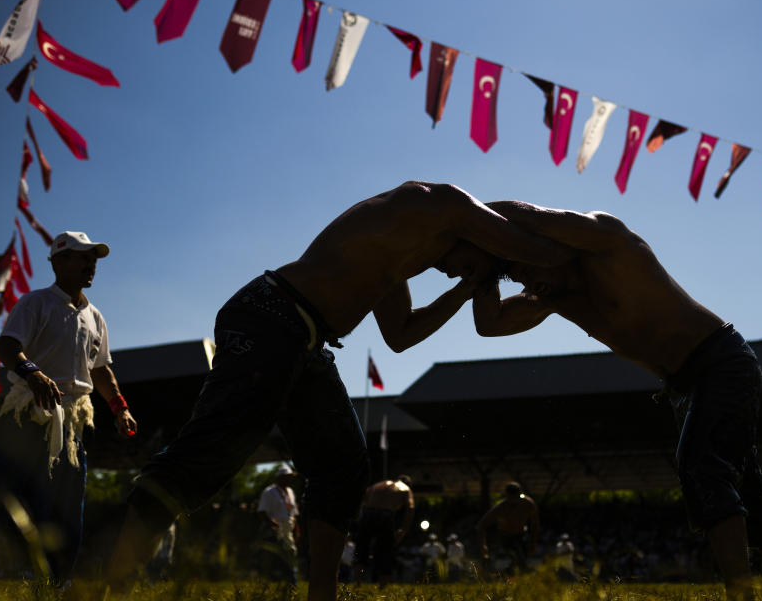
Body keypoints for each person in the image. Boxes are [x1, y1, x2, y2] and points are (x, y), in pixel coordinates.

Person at [107, 182, 572, 601]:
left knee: (344, 466)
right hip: (271, 314)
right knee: (210, 453)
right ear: (479, 236)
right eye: (475, 268)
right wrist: (576, 267)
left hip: (304, 337)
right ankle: (102, 580)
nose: (456, 278)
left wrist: (471, 288)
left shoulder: (397, 263)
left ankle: (322, 594)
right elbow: (530, 245)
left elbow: (401, 335)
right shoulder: (433, 203)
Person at [472, 201, 762, 601]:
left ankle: (740, 593)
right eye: (516, 276)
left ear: (547, 246)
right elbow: (489, 324)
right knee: (747, 487)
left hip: (721, 360)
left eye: (526, 266)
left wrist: (467, 214)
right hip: (683, 386)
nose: (527, 281)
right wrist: (483, 270)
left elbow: (532, 218)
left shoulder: (607, 242)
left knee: (701, 466)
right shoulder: (553, 299)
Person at [0, 231, 137, 585]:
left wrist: (120, 408)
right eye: (81, 257)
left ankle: (55, 580)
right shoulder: (35, 303)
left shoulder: (96, 317)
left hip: (70, 423)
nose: (91, 265)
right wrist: (34, 373)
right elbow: (6, 347)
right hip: (26, 416)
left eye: (94, 259)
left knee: (67, 505)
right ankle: (6, 572)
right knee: (5, 497)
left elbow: (100, 370)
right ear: (58, 262)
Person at [354, 475, 415, 583]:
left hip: (367, 513)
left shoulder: (378, 485)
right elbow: (410, 507)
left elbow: (363, 497)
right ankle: (383, 585)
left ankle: (357, 581)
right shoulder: (405, 488)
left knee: (362, 548)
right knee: (386, 551)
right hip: (384, 515)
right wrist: (403, 529)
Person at [477, 481, 540, 574]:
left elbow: (535, 524)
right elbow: (482, 525)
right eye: (511, 498)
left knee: (523, 561)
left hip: (521, 535)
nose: (514, 501)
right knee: (505, 562)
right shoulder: (501, 507)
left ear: (520, 494)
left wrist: (533, 542)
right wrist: (483, 545)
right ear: (507, 496)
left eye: (516, 498)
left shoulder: (528, 504)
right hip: (505, 536)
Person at [255, 465, 300, 585]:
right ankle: (276, 583)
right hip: (273, 530)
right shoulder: (269, 492)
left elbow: (294, 514)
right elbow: (262, 512)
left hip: (287, 530)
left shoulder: (290, 492)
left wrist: (296, 530)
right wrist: (272, 525)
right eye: (287, 477)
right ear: (280, 478)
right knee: (275, 558)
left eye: (290, 477)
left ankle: (290, 583)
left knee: (290, 554)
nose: (289, 480)